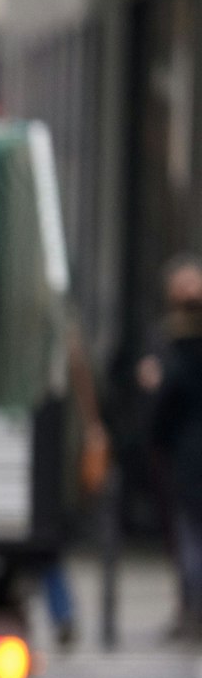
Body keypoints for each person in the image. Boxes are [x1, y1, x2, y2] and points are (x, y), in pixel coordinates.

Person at [138, 254, 202, 641]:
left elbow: (168, 399)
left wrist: (156, 437)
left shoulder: (176, 348)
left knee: (191, 537)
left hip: (188, 455)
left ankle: (193, 609)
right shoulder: (168, 341)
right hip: (186, 455)